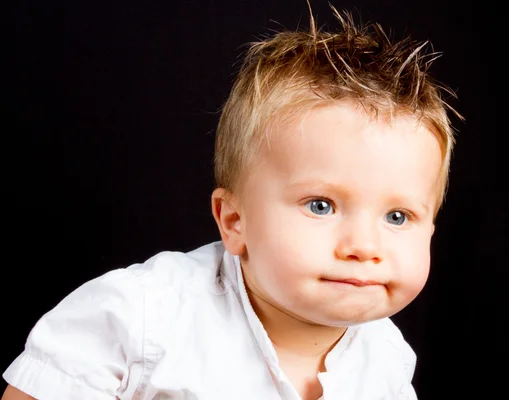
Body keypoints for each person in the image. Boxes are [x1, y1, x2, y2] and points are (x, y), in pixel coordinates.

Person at [2, 2, 461, 399]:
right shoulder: (136, 317)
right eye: (320, 205)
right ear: (234, 220)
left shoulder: (387, 359)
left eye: (398, 216)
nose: (363, 246)